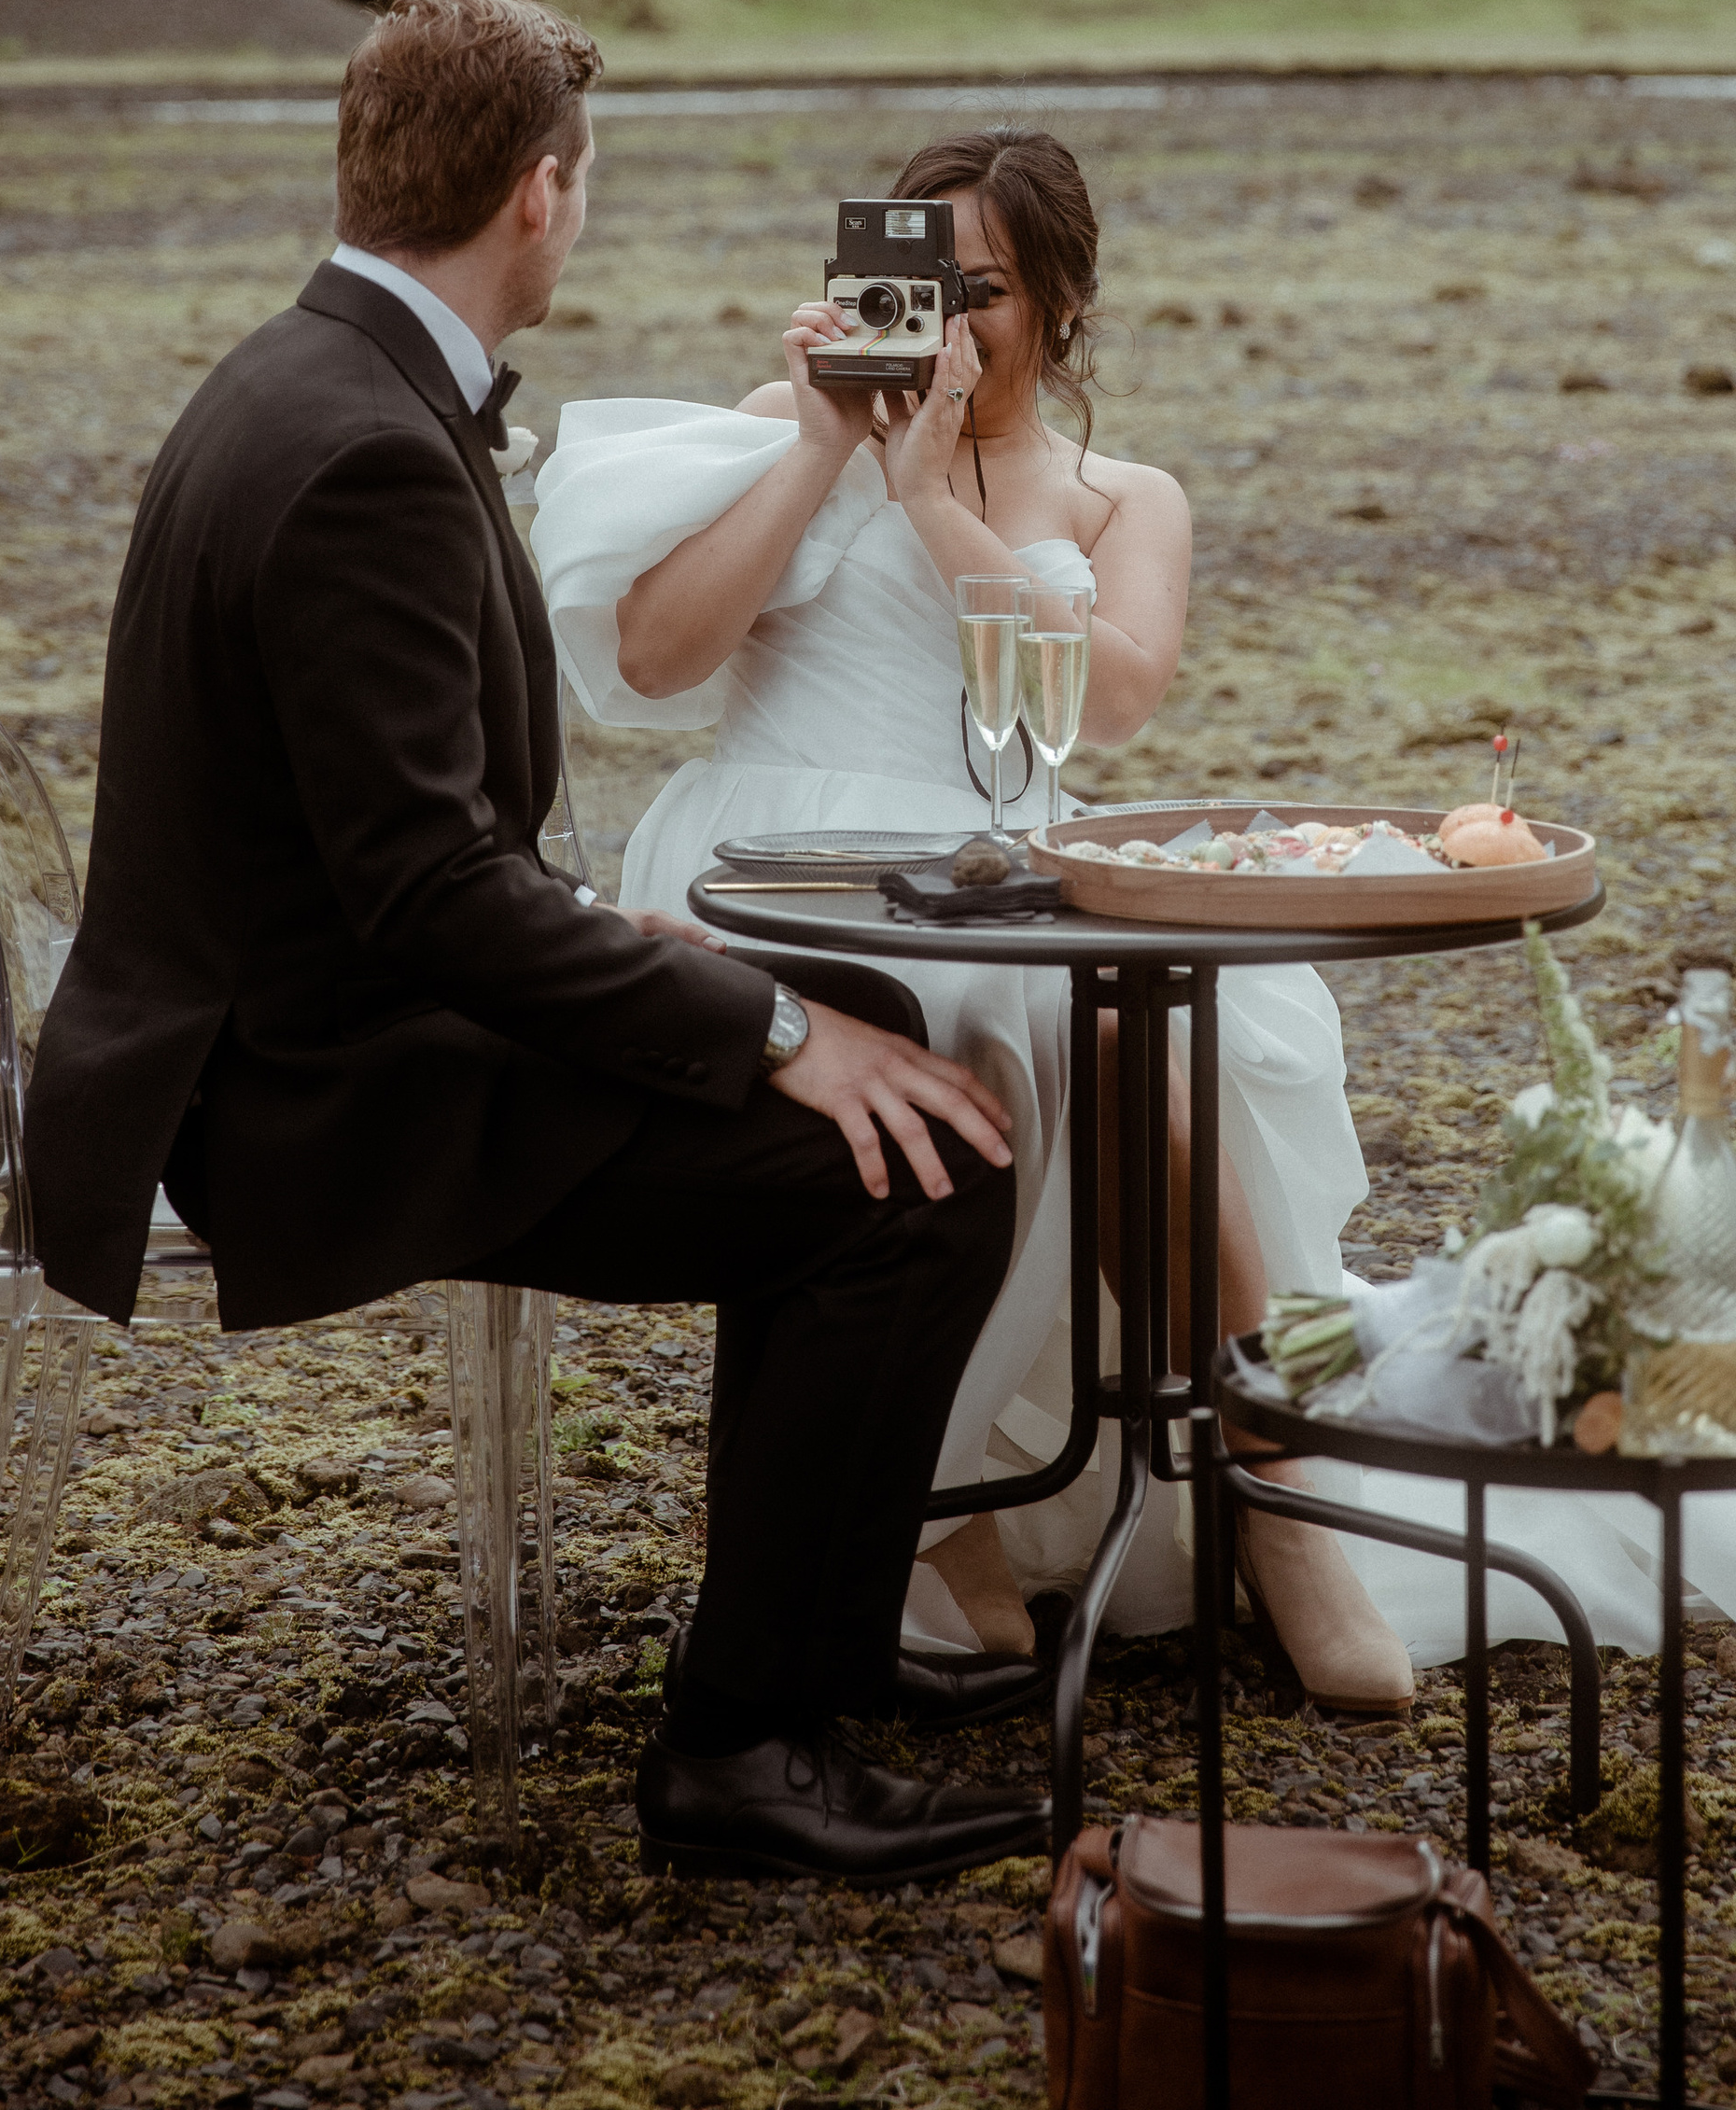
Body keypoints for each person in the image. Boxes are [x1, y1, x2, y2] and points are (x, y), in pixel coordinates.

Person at [22, 0, 1048, 1888]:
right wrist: (751, 1029)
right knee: (904, 1173)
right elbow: (424, 894)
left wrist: (693, 972)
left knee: (871, 1030)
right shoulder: (367, 453)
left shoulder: (304, 379)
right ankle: (742, 1748)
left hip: (327, 1006)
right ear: (535, 199)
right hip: (314, 1090)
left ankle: (808, 1663)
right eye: (580, 183)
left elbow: (399, 854)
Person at [534, 127, 1417, 1712]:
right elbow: (659, 665)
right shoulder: (774, 434)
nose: (946, 318)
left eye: (987, 289)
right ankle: (938, 1512)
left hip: (1004, 857)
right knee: (1019, 1029)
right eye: (913, 278)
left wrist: (934, 501)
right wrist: (821, 447)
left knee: (1156, 1042)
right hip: (769, 859)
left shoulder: (1120, 494)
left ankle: (1274, 1504)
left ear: (1063, 306)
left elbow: (1118, 702)